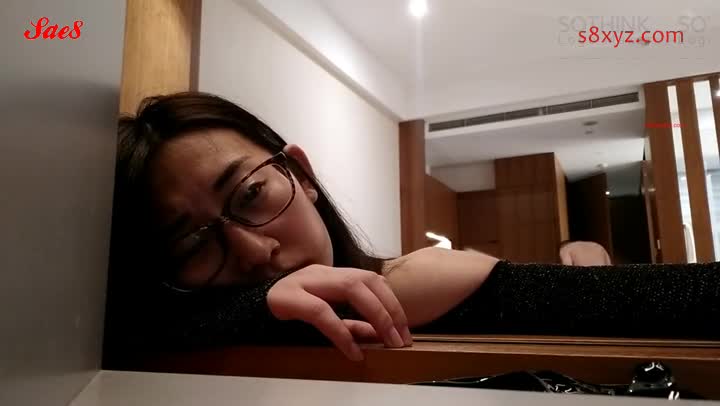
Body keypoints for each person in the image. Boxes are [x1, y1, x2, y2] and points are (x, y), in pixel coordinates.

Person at [105, 92, 720, 366]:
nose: (253, 250)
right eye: (192, 241)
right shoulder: (176, 341)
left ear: (302, 174)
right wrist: (256, 309)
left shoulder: (417, 284)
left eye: (250, 194)